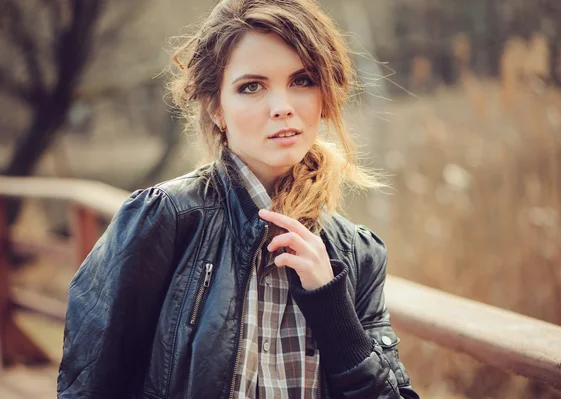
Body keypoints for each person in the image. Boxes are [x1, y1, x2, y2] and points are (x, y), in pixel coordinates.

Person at [57, 0, 419, 398]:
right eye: (252, 86)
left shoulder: (356, 254)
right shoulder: (165, 219)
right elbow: (89, 385)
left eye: (302, 80)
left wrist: (330, 304)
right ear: (216, 108)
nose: (282, 108)